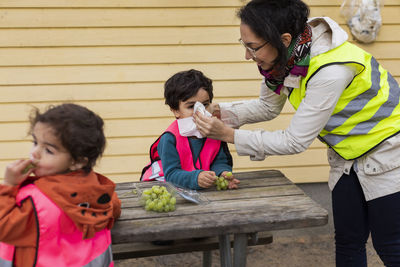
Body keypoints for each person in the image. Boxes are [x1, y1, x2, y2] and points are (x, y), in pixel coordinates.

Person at [193, 0, 400, 265]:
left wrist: (228, 134)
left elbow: (295, 140)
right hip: (348, 158)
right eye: (243, 44)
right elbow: (268, 106)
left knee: (390, 246)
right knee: (348, 242)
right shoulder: (288, 60)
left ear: (283, 38)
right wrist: (223, 112)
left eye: (253, 47)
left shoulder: (331, 69)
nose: (247, 55)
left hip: (388, 157)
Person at [0, 103, 121, 267]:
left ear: (77, 161)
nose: (34, 152)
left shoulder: (34, 203)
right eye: (35, 142)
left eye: (48, 150)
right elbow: (115, 208)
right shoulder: (99, 189)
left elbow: (4, 228)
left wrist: (8, 185)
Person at [141, 69, 239, 190]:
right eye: (191, 106)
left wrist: (222, 173)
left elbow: (220, 161)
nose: (200, 111)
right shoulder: (169, 138)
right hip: (165, 187)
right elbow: (171, 174)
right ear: (175, 110)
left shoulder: (215, 132)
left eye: (205, 104)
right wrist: (195, 178)